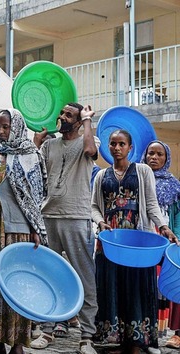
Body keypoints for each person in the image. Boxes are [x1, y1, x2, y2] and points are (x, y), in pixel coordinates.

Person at [91, 130, 178, 354]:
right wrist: (100, 222)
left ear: (130, 148)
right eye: (113, 144)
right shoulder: (101, 175)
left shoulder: (142, 171)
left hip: (137, 241)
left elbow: (151, 204)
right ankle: (117, 340)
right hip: (110, 241)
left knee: (137, 286)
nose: (116, 148)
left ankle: (137, 341)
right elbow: (93, 206)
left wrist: (164, 227)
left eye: (121, 144)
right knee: (111, 286)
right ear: (107, 147)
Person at [30, 103, 99, 354]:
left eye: (69, 115)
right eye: (62, 113)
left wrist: (88, 120)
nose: (62, 117)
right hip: (48, 215)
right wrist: (36, 143)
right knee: (48, 274)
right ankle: (46, 330)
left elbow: (91, 150)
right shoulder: (50, 145)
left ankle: (87, 336)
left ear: (79, 121)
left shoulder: (89, 140)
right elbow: (33, 171)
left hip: (77, 216)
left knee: (84, 276)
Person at [0, 108, 48, 354]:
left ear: (17, 126)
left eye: (6, 127)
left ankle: (19, 344)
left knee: (19, 286)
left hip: (20, 231)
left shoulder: (31, 155)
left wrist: (35, 229)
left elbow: (36, 197)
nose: (1, 132)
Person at [140, 140, 180, 351]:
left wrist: (178, 240)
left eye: (159, 155)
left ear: (167, 159)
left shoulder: (174, 186)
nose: (153, 158)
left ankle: (176, 333)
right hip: (144, 239)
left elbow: (178, 216)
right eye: (150, 154)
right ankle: (148, 331)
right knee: (148, 286)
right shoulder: (136, 179)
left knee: (169, 285)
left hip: (167, 239)